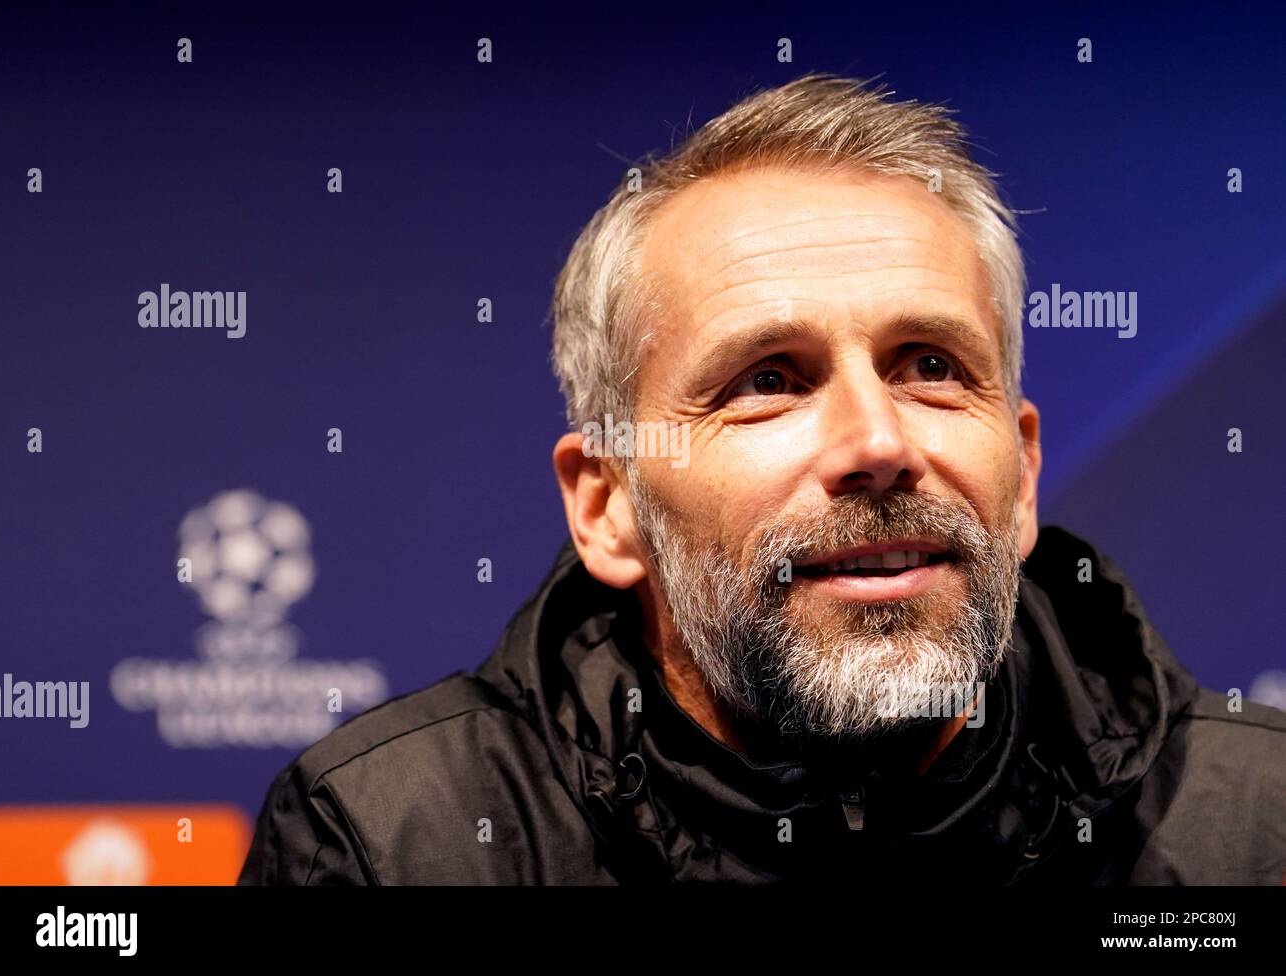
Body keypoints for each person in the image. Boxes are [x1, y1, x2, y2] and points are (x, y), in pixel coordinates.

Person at [239, 74, 1286, 884]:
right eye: (768, 381)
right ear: (608, 505)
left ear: (1019, 476)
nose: (876, 442)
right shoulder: (393, 846)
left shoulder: (1258, 826)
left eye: (930, 365)